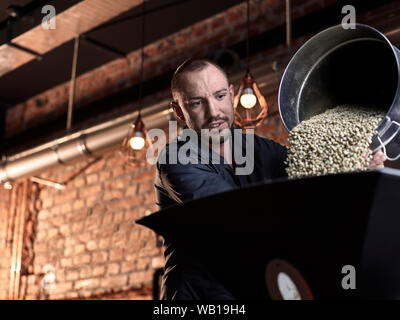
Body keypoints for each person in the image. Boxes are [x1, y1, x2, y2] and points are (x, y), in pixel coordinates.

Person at [153, 58, 387, 300]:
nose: (214, 112)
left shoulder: (263, 150)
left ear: (232, 95)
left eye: (220, 96)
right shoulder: (176, 159)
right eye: (197, 103)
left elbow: (312, 189)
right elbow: (231, 213)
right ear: (180, 110)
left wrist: (354, 171)